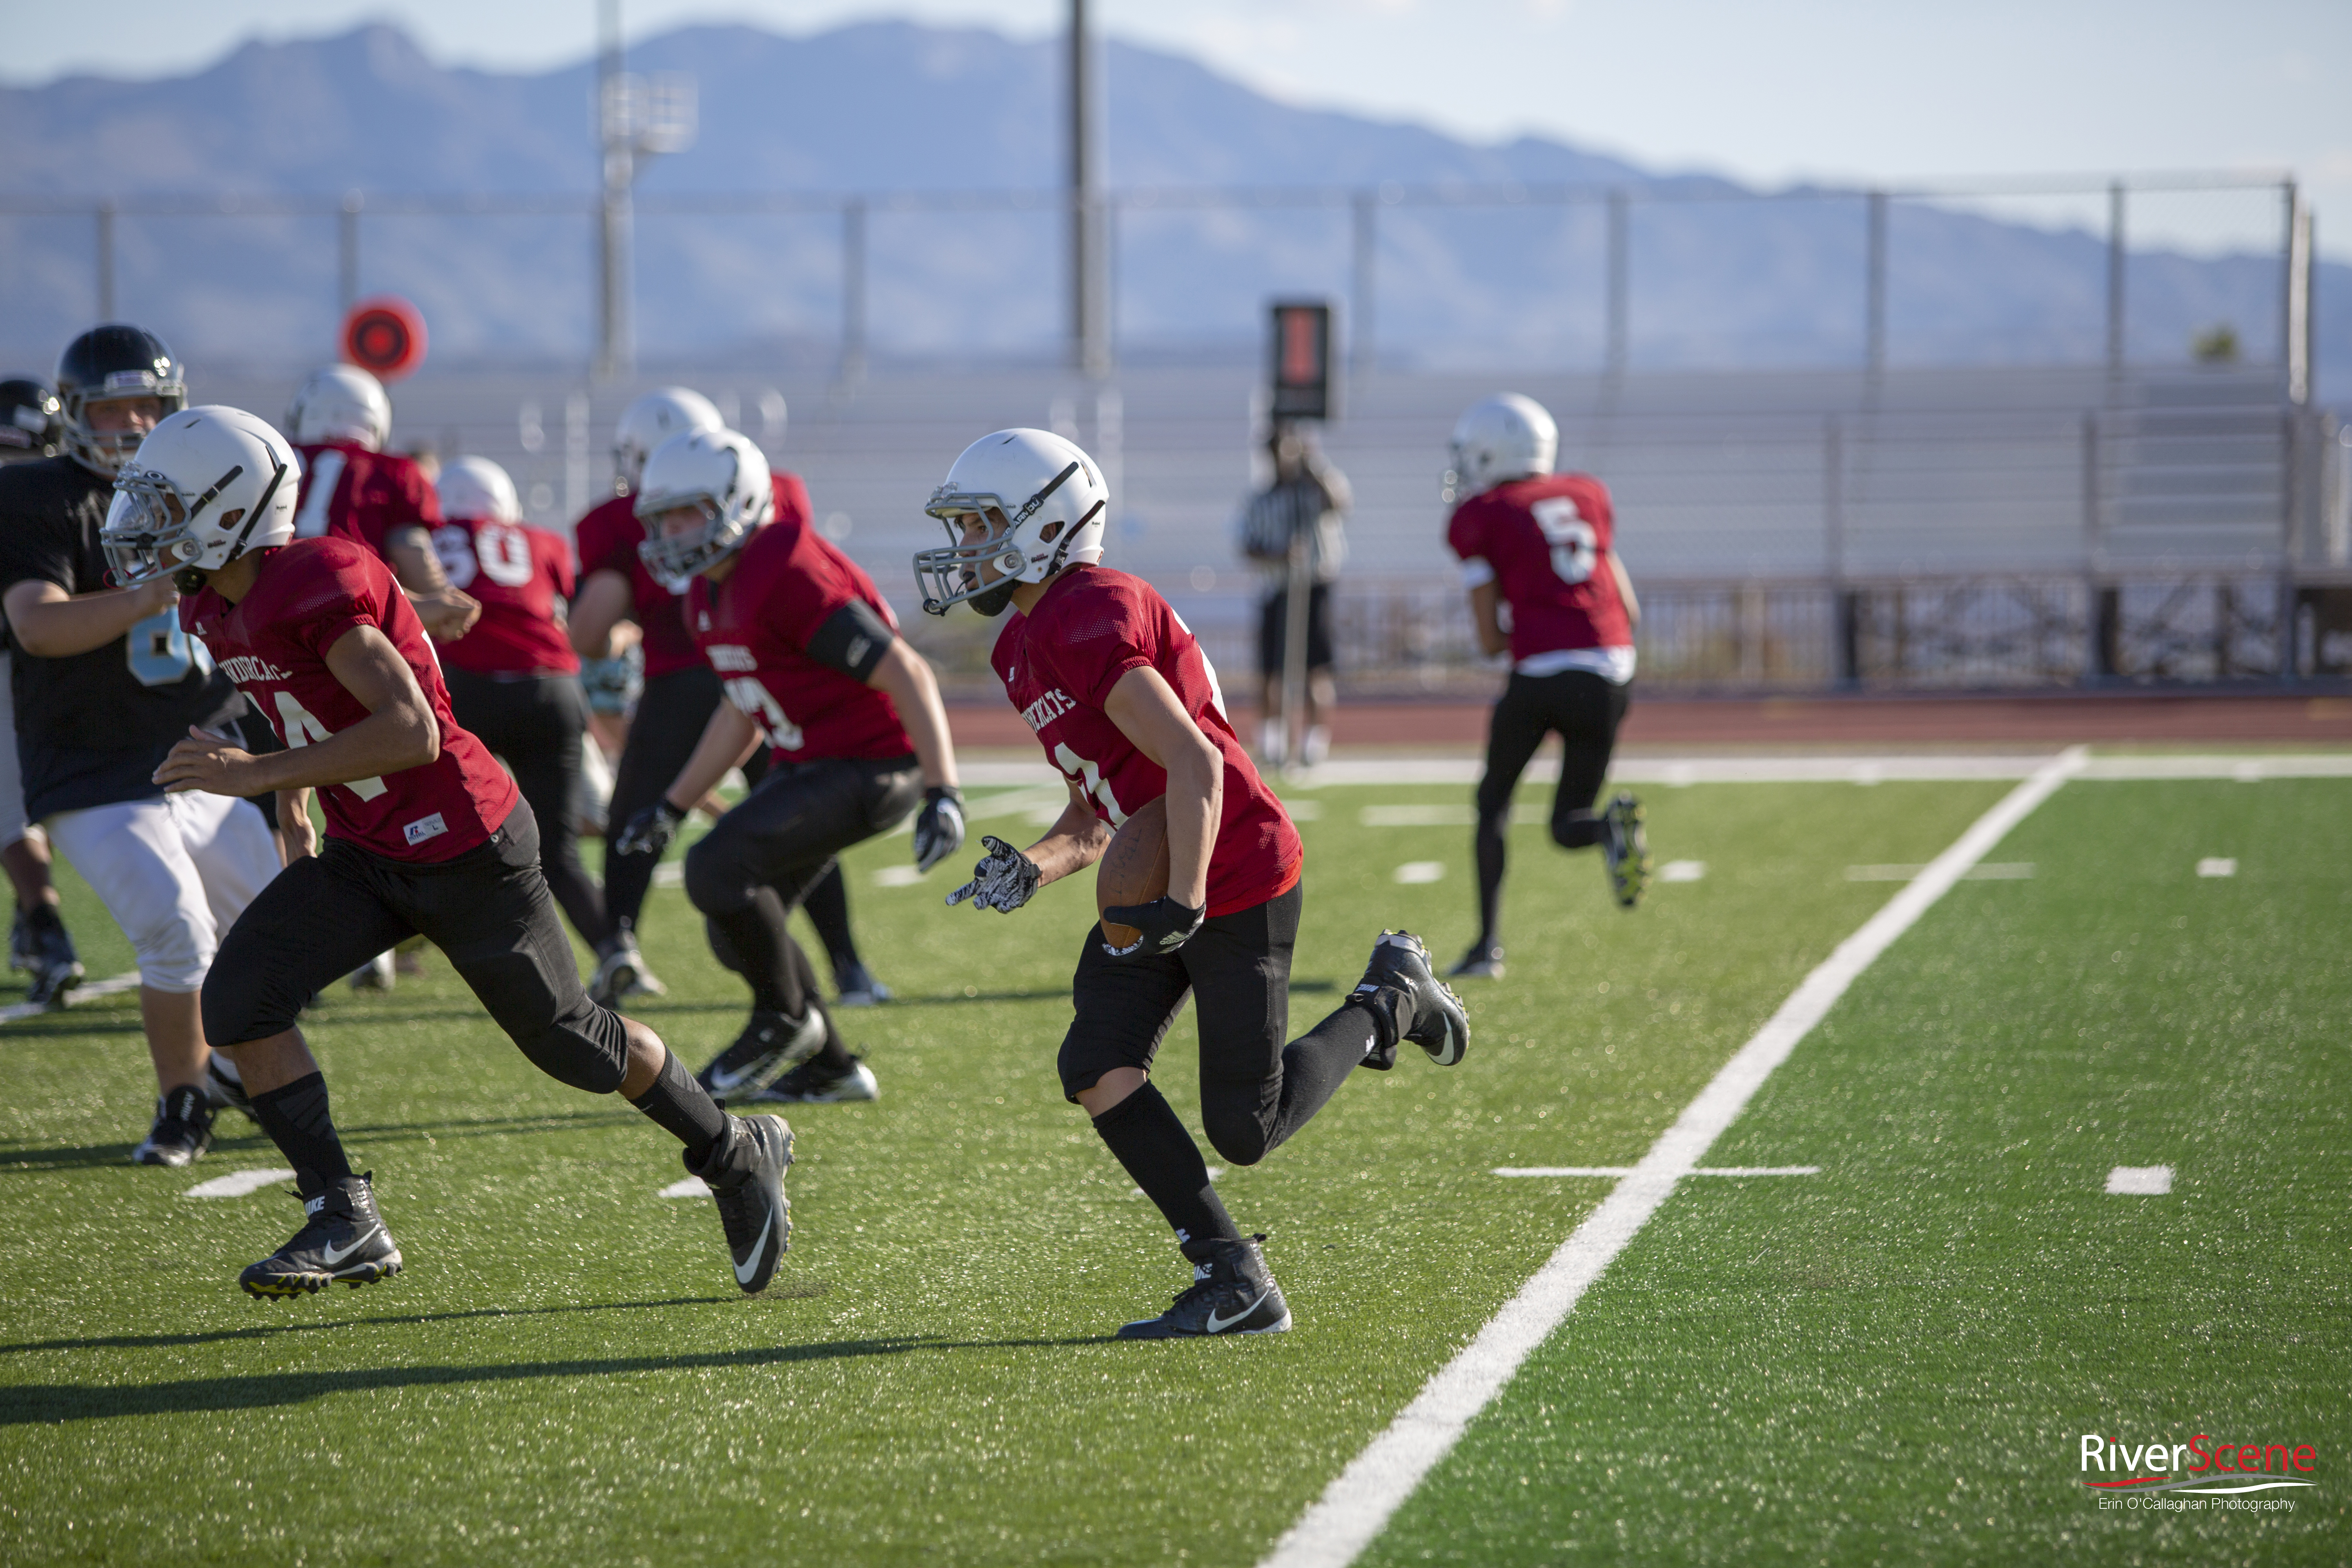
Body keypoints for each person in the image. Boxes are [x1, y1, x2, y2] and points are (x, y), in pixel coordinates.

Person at [102, 404, 792, 1299]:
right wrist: (293, 808)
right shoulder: (214, 600)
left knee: (573, 1044)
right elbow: (297, 705)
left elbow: (410, 730)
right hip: (366, 848)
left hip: (464, 840)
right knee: (238, 1001)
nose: (149, 527)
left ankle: (734, 1150)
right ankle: (341, 1214)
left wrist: (258, 772)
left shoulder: (315, 578)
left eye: (169, 505)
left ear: (230, 509)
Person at [917, 428, 1469, 1339]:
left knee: (1246, 1130)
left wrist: (1185, 904)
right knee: (1095, 1062)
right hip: (1167, 867)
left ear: (1043, 525)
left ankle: (1388, 999)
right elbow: (1100, 809)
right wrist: (1037, 866)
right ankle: (1234, 1274)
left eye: (980, 527)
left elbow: (1196, 767)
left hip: (1236, 869)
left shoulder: (1087, 613)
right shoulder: (1024, 642)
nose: (965, 549)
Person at [615, 428, 965, 1106]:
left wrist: (944, 789)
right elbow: (740, 709)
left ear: (737, 502)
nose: (671, 531)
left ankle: (783, 1022)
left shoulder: (785, 566)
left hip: (876, 763)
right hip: (821, 762)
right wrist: (672, 807)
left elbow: (907, 670)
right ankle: (832, 1065)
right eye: (662, 518)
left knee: (717, 870)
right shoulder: (707, 592)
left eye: (685, 512)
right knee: (735, 926)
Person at [0, 328, 284, 1167]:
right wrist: (155, 589)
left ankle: (231, 1068)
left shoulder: (200, 483)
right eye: (111, 407)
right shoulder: (36, 496)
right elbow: (37, 624)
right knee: (176, 932)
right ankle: (182, 1100)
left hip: (202, 750)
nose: (130, 424)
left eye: (147, 406)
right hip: (95, 770)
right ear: (75, 414)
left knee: (277, 931)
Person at [571, 388, 891, 1010]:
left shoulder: (611, 522)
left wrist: (629, 627)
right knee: (801, 818)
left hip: (682, 682)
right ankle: (849, 967)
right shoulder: (775, 491)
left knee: (639, 817)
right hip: (761, 677)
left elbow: (589, 634)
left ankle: (619, 947)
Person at [1442, 393, 1649, 983]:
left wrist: (1535, 632)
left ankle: (1487, 948)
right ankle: (1608, 828)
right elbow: (1626, 607)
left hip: (1541, 676)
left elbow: (1487, 639)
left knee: (1493, 805)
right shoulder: (1587, 495)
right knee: (1568, 822)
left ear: (1493, 451)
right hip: (1611, 672)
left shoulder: (1483, 514)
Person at [430, 456, 617, 963]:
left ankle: (390, 954)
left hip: (465, 691)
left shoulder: (426, 542)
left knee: (435, 838)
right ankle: (617, 950)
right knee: (559, 852)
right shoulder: (543, 542)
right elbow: (560, 605)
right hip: (549, 690)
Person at [284, 365, 479, 644]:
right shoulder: (391, 471)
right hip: (350, 619)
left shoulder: (274, 462)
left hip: (271, 608)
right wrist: (442, 603)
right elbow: (410, 548)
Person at [0, 374, 84, 1004]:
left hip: (24, 659)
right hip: (66, 660)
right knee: (30, 798)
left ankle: (45, 926)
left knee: (13, 805)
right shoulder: (61, 490)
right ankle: (35, 927)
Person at [1236, 421, 1349, 768]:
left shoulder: (1313, 491)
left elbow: (1339, 502)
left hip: (1315, 586)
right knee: (1271, 671)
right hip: (1277, 588)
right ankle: (1272, 743)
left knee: (1316, 669)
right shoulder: (1261, 499)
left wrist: (1312, 461)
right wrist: (1279, 556)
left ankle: (1314, 745)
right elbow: (1248, 545)